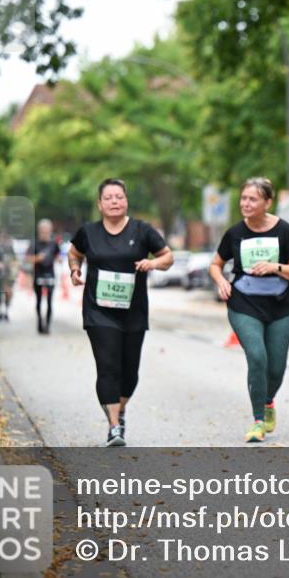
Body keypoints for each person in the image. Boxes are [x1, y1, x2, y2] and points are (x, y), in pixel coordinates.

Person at [68, 178, 174, 446]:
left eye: (119, 197)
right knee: (107, 366)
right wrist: (75, 270)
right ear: (99, 204)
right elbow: (74, 252)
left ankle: (120, 408)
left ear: (126, 201)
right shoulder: (88, 232)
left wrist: (153, 264)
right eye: (108, 198)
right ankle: (114, 426)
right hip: (98, 311)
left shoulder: (142, 230)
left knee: (130, 373)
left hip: (133, 312)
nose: (114, 202)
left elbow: (168, 257)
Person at [209, 177, 289, 443]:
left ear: (267, 202)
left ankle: (268, 401)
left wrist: (275, 267)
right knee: (257, 356)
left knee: (276, 368)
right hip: (244, 303)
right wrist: (220, 282)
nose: (246, 203)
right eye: (243, 198)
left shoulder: (283, 230)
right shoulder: (235, 233)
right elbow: (215, 263)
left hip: (282, 306)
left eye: (252, 199)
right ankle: (258, 421)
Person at [27, 219, 60, 334]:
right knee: (39, 301)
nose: (45, 233)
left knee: (50, 301)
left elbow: (58, 255)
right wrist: (37, 258)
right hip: (38, 275)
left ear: (50, 231)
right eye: (43, 231)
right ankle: (40, 322)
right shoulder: (34, 243)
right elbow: (27, 258)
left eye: (47, 231)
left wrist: (59, 259)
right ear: (39, 231)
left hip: (50, 274)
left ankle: (48, 326)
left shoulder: (53, 244)